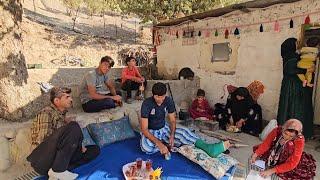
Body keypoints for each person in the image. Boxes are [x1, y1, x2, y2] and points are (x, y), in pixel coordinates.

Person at [140, 82, 231, 158]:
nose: (160, 99)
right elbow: (144, 129)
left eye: (162, 97)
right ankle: (165, 144)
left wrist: (171, 135)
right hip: (151, 131)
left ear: (165, 95)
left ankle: (208, 147)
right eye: (157, 97)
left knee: (184, 132)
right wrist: (159, 144)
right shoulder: (147, 104)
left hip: (164, 128)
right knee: (146, 147)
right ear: (153, 95)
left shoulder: (168, 101)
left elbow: (172, 121)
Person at [27, 87, 100, 179]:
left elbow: (66, 141)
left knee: (94, 150)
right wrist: (68, 129)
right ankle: (58, 170)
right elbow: (43, 140)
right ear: (57, 100)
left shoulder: (62, 115)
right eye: (67, 97)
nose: (71, 99)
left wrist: (78, 145)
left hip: (59, 158)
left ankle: (56, 171)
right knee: (74, 126)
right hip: (44, 159)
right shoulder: (46, 112)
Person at [250, 119, 316, 179]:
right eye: (285, 133)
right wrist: (256, 154)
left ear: (296, 135)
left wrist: (272, 170)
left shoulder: (299, 140)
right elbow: (266, 144)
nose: (287, 137)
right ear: (283, 129)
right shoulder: (277, 130)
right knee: (260, 151)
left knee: (289, 144)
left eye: (291, 136)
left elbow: (293, 163)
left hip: (289, 157)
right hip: (276, 150)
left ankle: (280, 163)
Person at [277, 38, 315, 139]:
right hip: (293, 86)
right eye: (296, 43)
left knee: (290, 107)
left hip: (290, 85)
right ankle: (293, 133)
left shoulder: (289, 55)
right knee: (294, 108)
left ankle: (291, 132)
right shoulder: (291, 56)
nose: (297, 44)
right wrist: (306, 69)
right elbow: (290, 70)